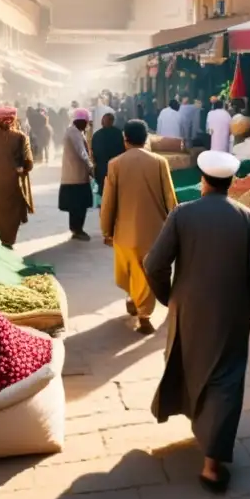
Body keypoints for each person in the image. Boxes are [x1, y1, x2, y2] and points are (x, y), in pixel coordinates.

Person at [144, 150, 250, 493]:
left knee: (190, 362)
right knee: (226, 375)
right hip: (232, 312)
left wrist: (168, 296)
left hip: (188, 308)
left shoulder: (182, 214)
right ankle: (212, 466)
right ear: (231, 183)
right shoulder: (248, 218)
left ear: (203, 181)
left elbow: (154, 263)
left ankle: (202, 433)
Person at [101, 120, 177, 334]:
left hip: (124, 231)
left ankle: (142, 313)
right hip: (155, 232)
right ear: (146, 139)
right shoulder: (159, 162)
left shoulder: (115, 164)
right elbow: (170, 198)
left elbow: (108, 201)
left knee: (129, 271)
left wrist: (106, 230)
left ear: (125, 139)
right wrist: (175, 229)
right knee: (146, 273)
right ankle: (140, 308)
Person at [0, 106, 34, 249]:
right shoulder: (21, 137)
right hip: (15, 179)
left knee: (0, 209)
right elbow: (29, 162)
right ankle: (10, 239)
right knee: (13, 210)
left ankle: (3, 238)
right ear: (13, 119)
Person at [60, 108, 94, 240]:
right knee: (78, 205)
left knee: (77, 205)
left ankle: (76, 229)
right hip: (76, 176)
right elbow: (82, 152)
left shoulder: (75, 131)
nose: (87, 125)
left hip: (75, 175)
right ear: (81, 121)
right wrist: (91, 167)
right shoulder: (74, 133)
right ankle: (77, 229)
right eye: (86, 122)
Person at [91, 111, 126, 197]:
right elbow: (122, 150)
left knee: (103, 192)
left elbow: (94, 152)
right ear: (112, 122)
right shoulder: (118, 133)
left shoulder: (97, 135)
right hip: (115, 168)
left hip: (101, 169)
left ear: (102, 122)